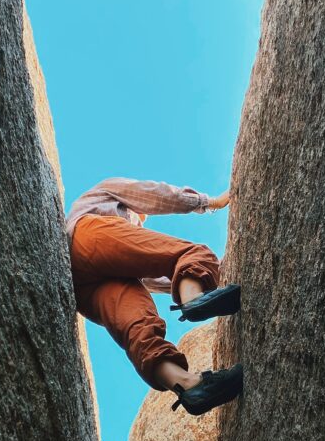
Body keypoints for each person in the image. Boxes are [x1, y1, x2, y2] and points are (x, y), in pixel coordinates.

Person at [66, 177, 242, 415]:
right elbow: (153, 195)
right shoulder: (105, 194)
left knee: (140, 328)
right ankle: (193, 300)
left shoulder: (126, 246)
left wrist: (214, 277)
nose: (140, 221)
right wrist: (210, 202)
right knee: (191, 253)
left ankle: (190, 386)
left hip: (84, 287)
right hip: (87, 237)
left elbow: (161, 280)